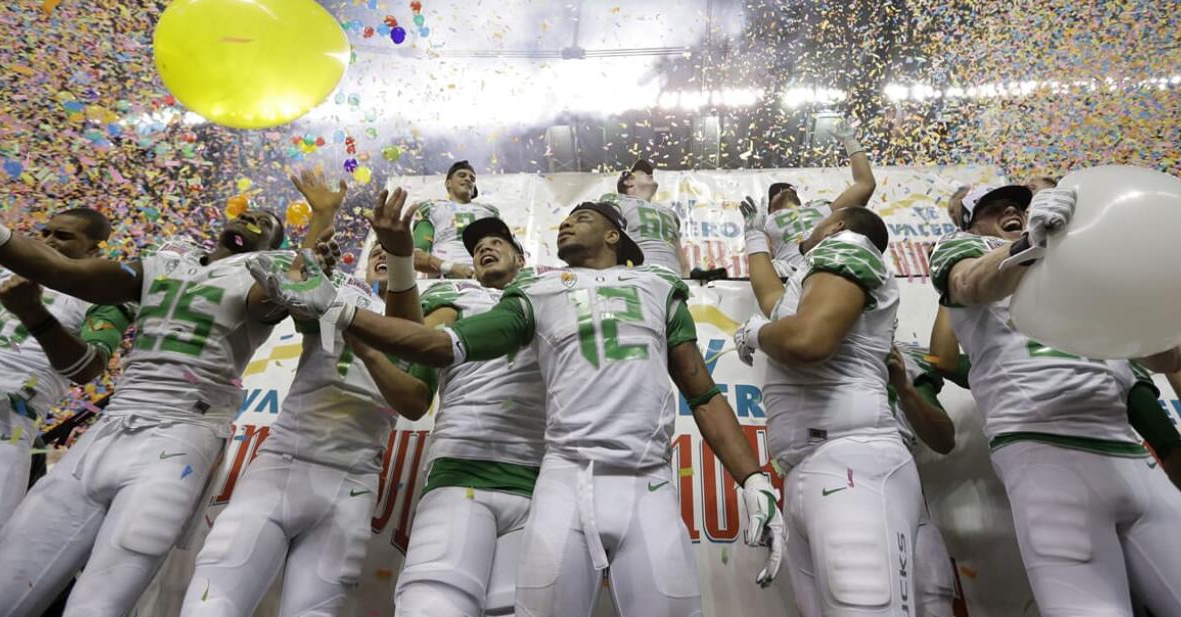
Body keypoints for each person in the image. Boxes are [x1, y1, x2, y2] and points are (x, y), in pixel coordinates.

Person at [247, 200, 786, 617]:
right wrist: (340, 309)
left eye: (580, 217)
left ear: (614, 234)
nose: (566, 226)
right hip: (563, 480)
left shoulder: (659, 287)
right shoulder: (537, 293)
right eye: (564, 221)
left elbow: (703, 393)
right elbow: (440, 346)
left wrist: (753, 479)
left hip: (647, 483)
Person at [0, 169, 338, 617]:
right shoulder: (161, 263)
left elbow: (294, 285)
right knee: (1, 589)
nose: (253, 217)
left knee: (99, 603)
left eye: (266, 222)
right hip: (107, 430)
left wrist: (323, 217)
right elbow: (59, 270)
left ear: (274, 248)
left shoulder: (260, 280)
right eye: (248, 212)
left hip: (180, 437)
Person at [928, 182, 1181, 617]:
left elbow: (1164, 357)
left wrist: (1143, 299)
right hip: (1044, 451)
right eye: (995, 207)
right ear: (972, 222)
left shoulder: (1079, 259)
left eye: (1020, 204)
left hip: (1130, 456)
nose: (1012, 210)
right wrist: (1028, 246)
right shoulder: (963, 248)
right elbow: (970, 282)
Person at [180, 235, 431, 617]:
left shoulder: (425, 327)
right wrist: (312, 277)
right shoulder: (342, 293)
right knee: (211, 603)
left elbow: (414, 403)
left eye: (393, 252)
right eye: (375, 249)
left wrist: (364, 343)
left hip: (351, 482)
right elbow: (300, 310)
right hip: (281, 463)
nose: (381, 254)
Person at [734, 204, 922, 617]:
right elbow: (772, 300)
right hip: (816, 461)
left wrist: (758, 334)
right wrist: (754, 240)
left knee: (864, 608)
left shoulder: (847, 246)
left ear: (837, 224)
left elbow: (807, 342)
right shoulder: (818, 275)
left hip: (849, 456)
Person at [367, 189, 547, 617]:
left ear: (521, 257)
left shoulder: (554, 292)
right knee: (433, 606)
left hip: (544, 484)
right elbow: (410, 355)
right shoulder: (453, 297)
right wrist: (399, 259)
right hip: (460, 473)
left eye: (496, 241)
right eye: (477, 246)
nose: (484, 246)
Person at [0, 208, 133, 569]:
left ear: (95, 251)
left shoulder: (108, 299)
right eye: (45, 232)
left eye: (63, 237)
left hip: (5, 423)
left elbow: (88, 369)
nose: (48, 241)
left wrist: (35, 314)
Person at [751, 115, 876, 275]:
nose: (785, 191)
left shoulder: (825, 210)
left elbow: (865, 185)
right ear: (770, 208)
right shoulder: (765, 222)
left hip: (830, 270)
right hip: (791, 276)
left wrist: (850, 142)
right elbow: (762, 257)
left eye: (789, 189)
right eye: (777, 193)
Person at [887, 345, 959, 617]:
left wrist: (904, 388)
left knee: (931, 594)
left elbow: (944, 439)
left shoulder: (904, 358)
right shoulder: (810, 342)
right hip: (837, 489)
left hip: (905, 496)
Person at [599, 158, 689, 274]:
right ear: (628, 182)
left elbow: (682, 259)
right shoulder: (617, 202)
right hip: (638, 278)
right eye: (643, 172)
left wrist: (687, 282)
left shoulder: (669, 213)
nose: (649, 174)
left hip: (673, 280)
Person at [413, 160, 500, 279]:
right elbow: (416, 256)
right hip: (444, 285)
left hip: (486, 281)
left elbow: (504, 252)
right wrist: (451, 268)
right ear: (448, 183)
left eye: (472, 178)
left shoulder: (490, 212)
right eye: (462, 175)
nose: (468, 179)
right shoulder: (430, 208)